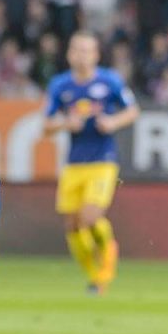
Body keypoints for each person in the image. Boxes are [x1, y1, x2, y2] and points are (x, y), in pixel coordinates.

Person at [42, 31, 139, 294]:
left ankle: (106, 267)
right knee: (73, 225)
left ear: (96, 55)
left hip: (103, 160)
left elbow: (132, 111)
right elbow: (46, 126)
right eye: (77, 50)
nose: (81, 55)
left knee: (89, 216)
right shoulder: (60, 85)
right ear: (69, 54)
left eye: (86, 50)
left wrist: (113, 122)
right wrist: (65, 123)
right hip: (74, 163)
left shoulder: (110, 81)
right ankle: (95, 277)